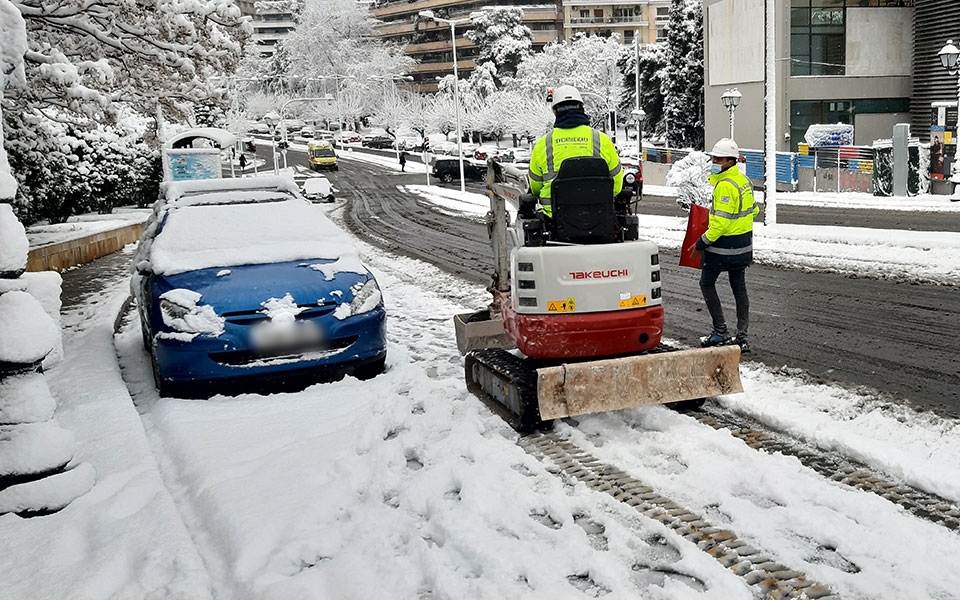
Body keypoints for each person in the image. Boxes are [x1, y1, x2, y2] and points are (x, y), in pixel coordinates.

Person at [696, 138, 759, 353]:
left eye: (718, 159)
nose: (714, 161)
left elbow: (720, 224)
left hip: (722, 248)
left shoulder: (724, 186)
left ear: (730, 161)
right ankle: (742, 337)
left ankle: (720, 331)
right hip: (743, 247)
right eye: (713, 158)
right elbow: (754, 211)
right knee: (739, 289)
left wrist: (702, 242)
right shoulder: (744, 182)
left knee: (706, 283)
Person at [528, 85, 624, 218]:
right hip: (598, 218)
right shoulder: (602, 140)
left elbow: (535, 187)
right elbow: (617, 184)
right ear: (582, 109)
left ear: (555, 112)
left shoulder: (543, 144)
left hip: (554, 220)